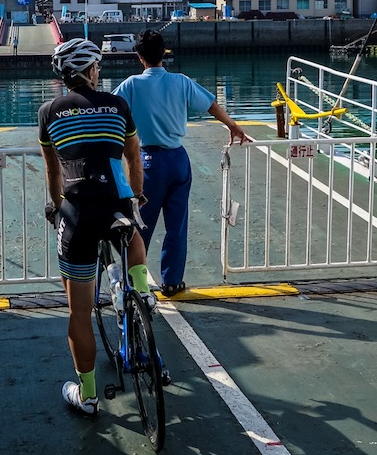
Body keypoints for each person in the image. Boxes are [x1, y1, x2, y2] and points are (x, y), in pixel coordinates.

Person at [38, 38, 154, 416]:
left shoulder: (49, 111)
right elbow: (134, 155)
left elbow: (53, 169)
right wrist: (135, 196)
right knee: (133, 232)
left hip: (78, 212)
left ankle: (87, 395)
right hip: (116, 203)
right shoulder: (118, 104)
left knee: (79, 314)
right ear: (90, 71)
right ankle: (140, 291)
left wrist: (56, 208)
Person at [113, 29, 251, 297]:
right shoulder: (181, 82)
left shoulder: (131, 85)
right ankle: (172, 282)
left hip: (147, 162)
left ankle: (135, 284)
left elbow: (112, 109)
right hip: (178, 159)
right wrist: (232, 125)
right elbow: (211, 105)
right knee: (177, 225)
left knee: (140, 226)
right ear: (163, 53)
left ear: (139, 57)